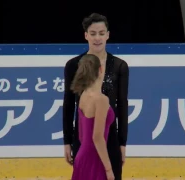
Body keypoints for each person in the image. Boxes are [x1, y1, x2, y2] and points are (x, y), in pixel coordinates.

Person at [62, 13, 129, 180]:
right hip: (82, 138)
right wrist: (67, 141)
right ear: (86, 35)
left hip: (110, 138)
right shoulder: (74, 65)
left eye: (101, 33)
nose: (97, 38)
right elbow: (69, 105)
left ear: (108, 34)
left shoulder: (119, 66)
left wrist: (122, 143)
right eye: (93, 33)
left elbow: (122, 105)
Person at [70, 54, 115, 180]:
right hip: (95, 159)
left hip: (82, 157)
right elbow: (97, 137)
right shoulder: (101, 100)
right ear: (101, 69)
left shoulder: (83, 95)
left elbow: (81, 135)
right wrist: (109, 169)